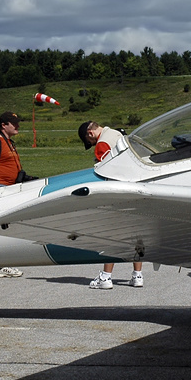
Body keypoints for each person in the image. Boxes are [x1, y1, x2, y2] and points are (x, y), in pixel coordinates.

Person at [78, 121, 144, 289]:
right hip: (135, 188)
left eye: (89, 142)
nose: (92, 144)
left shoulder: (102, 144)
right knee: (137, 235)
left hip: (118, 193)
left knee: (111, 235)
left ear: (90, 134)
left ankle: (106, 277)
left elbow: (106, 173)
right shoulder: (117, 134)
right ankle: (137, 275)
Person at [0, 111, 25, 278]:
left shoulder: (9, 142)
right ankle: (0, 265)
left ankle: (6, 262)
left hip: (11, 189)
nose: (17, 126)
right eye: (13, 123)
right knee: (2, 228)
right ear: (3, 125)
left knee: (10, 227)